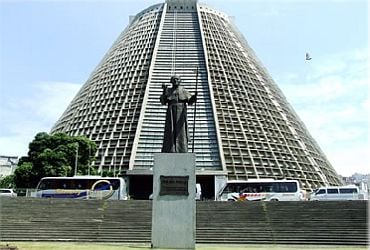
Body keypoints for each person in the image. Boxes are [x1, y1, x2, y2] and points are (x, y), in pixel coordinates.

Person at [160, 75, 197, 153]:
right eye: (174, 79)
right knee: (170, 130)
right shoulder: (168, 91)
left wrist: (194, 97)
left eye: (177, 79)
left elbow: (190, 101)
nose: (175, 81)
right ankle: (170, 149)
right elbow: (163, 102)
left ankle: (182, 149)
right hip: (171, 113)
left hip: (181, 112)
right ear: (171, 81)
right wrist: (164, 91)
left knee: (181, 131)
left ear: (180, 81)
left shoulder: (184, 91)